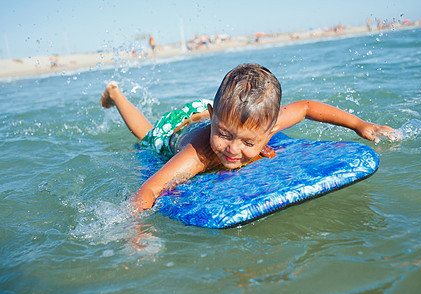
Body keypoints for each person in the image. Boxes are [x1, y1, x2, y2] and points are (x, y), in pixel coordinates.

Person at [100, 64, 397, 213]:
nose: (232, 149)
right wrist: (137, 230)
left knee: (234, 127)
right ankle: (115, 94)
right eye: (224, 136)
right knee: (146, 136)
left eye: (248, 143)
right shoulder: (200, 152)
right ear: (214, 118)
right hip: (176, 131)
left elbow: (306, 108)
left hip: (227, 111)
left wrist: (360, 125)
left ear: (269, 131)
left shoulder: (258, 122)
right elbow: (147, 192)